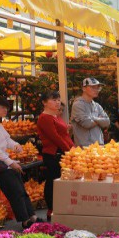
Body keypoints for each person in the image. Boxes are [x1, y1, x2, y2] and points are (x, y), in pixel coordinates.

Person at [0, 96, 41, 229]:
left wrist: (16, 145)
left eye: (7, 107)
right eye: (3, 107)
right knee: (15, 190)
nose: (6, 110)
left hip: (2, 162)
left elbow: (7, 140)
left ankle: (32, 216)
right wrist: (10, 162)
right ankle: (25, 220)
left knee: (21, 189)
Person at [36, 91, 74, 221]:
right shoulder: (44, 118)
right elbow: (55, 138)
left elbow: (65, 135)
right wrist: (69, 150)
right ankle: (51, 210)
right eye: (53, 99)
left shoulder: (56, 116)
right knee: (53, 182)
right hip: (53, 154)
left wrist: (72, 149)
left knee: (60, 182)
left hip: (62, 153)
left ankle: (59, 208)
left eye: (58, 99)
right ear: (44, 102)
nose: (57, 102)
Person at [71, 78, 110, 147]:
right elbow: (87, 124)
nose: (96, 90)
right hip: (84, 147)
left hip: (99, 146)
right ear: (84, 88)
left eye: (98, 88)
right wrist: (100, 119)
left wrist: (92, 118)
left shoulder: (97, 105)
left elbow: (107, 122)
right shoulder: (78, 105)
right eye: (93, 87)